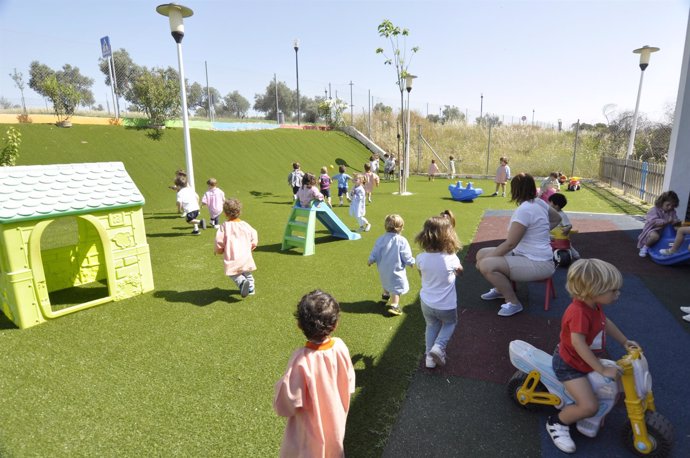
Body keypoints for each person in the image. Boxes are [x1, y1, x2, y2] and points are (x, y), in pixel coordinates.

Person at [546, 259, 638, 454]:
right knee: (589, 406)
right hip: (569, 366)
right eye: (613, 290)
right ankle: (557, 422)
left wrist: (624, 341)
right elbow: (578, 343)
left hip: (581, 361)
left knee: (617, 379)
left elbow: (605, 322)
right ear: (593, 291)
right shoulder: (579, 312)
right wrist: (602, 369)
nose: (617, 293)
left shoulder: (593, 306)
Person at [273, 290, 355, 458]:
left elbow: (286, 401)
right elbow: (349, 380)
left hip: (308, 425)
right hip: (336, 415)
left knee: (309, 450)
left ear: (299, 325)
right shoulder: (340, 346)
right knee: (333, 447)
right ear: (335, 324)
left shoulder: (301, 359)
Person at [477, 173, 561, 317]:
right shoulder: (538, 202)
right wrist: (539, 231)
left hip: (539, 263)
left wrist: (539, 231)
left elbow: (510, 244)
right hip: (526, 255)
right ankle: (500, 288)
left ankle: (514, 303)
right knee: (481, 254)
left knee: (485, 264)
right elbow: (557, 218)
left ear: (515, 190)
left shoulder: (525, 210)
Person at [415, 216, 463, 368]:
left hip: (427, 303)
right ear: (448, 236)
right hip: (446, 305)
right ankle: (439, 346)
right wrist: (455, 272)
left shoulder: (421, 258)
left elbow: (422, 275)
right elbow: (460, 271)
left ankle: (429, 358)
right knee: (450, 323)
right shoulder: (451, 257)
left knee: (431, 326)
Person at [368, 214, 416, 316]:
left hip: (383, 268)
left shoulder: (381, 239)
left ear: (386, 226)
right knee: (396, 287)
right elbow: (406, 255)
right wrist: (411, 262)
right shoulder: (402, 240)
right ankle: (394, 305)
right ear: (401, 227)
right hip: (396, 269)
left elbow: (375, 251)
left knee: (386, 280)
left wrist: (371, 259)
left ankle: (385, 296)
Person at [214, 198, 258, 298]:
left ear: (225, 213)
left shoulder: (225, 226)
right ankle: (251, 288)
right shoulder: (245, 224)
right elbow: (254, 233)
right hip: (245, 255)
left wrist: (219, 249)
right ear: (239, 212)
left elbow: (219, 240)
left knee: (232, 272)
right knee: (246, 271)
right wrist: (253, 244)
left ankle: (242, 282)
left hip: (232, 254)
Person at [637, 190, 680, 257]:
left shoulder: (672, 211)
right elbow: (654, 222)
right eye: (668, 205)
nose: (670, 207)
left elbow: (675, 218)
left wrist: (676, 221)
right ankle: (645, 247)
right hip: (653, 229)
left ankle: (673, 248)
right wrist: (666, 221)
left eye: (672, 206)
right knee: (655, 236)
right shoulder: (654, 210)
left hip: (664, 230)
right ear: (662, 202)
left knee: (679, 231)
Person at [548, 193, 580, 259]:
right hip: (551, 234)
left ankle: (575, 255)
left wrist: (567, 228)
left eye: (550, 203)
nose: (548, 204)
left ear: (556, 205)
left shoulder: (562, 215)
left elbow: (569, 225)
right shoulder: (549, 213)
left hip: (558, 235)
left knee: (568, 245)